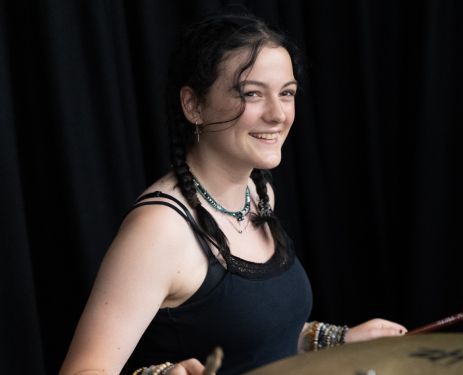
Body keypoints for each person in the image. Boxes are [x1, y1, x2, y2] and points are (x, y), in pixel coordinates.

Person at [60, 11, 406, 375]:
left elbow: (251, 337)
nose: (278, 115)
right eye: (252, 94)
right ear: (193, 105)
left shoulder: (260, 193)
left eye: (286, 94)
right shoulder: (160, 230)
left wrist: (335, 340)